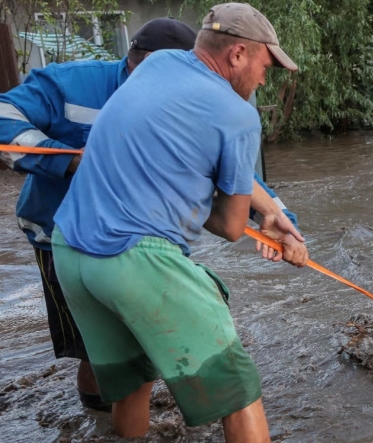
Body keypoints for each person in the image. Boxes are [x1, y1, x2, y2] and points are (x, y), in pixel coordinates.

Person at [51, 3, 305, 440]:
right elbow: (228, 226)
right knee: (238, 388)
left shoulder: (158, 63)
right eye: (266, 66)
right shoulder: (239, 115)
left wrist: (272, 211)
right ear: (238, 54)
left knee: (133, 383)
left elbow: (172, 150)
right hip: (134, 259)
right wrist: (258, 220)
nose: (266, 78)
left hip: (69, 251)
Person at [0, 17, 199, 412]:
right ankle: (101, 422)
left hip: (142, 241)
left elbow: (227, 172)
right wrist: (72, 161)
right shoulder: (71, 84)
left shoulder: (185, 100)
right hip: (60, 236)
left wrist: (275, 216)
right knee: (94, 347)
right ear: (140, 64)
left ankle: (126, 412)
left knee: (148, 336)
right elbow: (4, 116)